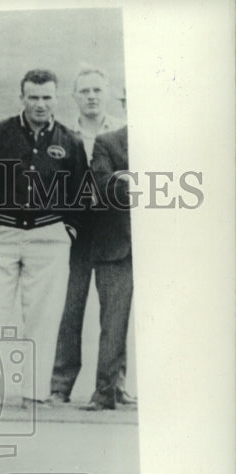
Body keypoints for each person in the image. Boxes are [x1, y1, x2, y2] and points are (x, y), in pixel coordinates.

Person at [0, 69, 88, 406]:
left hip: (49, 237)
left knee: (44, 316)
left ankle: (35, 394)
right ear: (22, 98)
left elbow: (80, 193)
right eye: (33, 97)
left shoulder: (70, 142)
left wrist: (68, 230)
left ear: (56, 99)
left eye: (47, 97)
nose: (40, 104)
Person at [49, 68, 126, 404]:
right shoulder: (63, 136)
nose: (91, 96)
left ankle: (114, 386)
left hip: (115, 231)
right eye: (84, 91)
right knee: (69, 310)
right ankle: (59, 385)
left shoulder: (123, 133)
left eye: (97, 90)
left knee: (116, 312)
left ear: (106, 94)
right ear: (74, 97)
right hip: (76, 233)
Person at [81, 88, 134, 411]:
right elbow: (103, 186)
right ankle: (104, 393)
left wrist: (127, 178)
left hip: (169, 248)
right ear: (126, 105)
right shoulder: (108, 142)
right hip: (117, 245)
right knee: (113, 323)